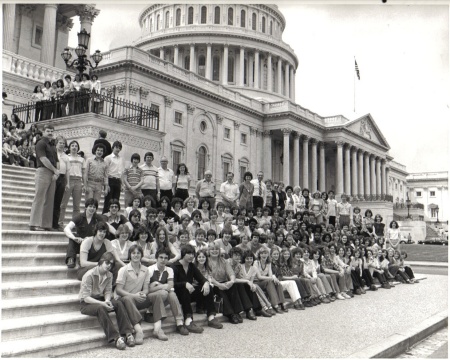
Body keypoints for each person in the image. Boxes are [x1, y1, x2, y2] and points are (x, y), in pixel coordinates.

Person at [78, 252, 134, 350]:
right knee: (100, 307)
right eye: (107, 262)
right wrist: (102, 303)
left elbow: (108, 291)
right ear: (101, 261)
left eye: (111, 264)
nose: (109, 266)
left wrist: (107, 300)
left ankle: (127, 333)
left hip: (100, 300)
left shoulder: (110, 275)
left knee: (118, 303)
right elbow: (86, 297)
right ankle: (116, 338)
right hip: (86, 303)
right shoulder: (89, 275)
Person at [172, 245, 223, 331]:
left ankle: (211, 317)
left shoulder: (191, 266)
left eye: (192, 254)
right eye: (189, 253)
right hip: (178, 295)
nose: (191, 256)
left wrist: (206, 283)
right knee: (185, 289)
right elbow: (172, 284)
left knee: (209, 287)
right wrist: (184, 284)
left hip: (189, 293)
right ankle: (188, 321)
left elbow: (201, 278)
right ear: (183, 254)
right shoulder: (175, 266)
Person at [147, 249, 189, 337]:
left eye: (166, 258)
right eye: (161, 257)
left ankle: (179, 322)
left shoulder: (169, 270)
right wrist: (162, 286)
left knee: (171, 294)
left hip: (162, 295)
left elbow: (170, 286)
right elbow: (147, 289)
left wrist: (156, 286)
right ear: (156, 258)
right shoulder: (150, 269)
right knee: (164, 293)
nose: (163, 260)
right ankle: (152, 312)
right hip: (150, 298)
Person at [29, 124, 59, 231]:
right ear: (43, 131)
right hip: (43, 171)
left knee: (49, 199)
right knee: (39, 198)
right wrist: (55, 170)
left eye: (52, 130)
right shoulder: (40, 143)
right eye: (48, 130)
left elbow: (57, 160)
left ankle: (46, 224)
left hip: (53, 173)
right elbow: (43, 159)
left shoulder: (53, 145)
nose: (50, 132)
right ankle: (34, 224)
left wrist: (56, 172)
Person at [64, 198, 108, 268]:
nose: (92, 209)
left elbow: (106, 228)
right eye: (90, 206)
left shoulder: (98, 218)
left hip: (92, 245)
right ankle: (71, 259)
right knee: (73, 236)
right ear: (86, 207)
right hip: (80, 242)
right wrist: (74, 238)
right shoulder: (79, 217)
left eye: (94, 207)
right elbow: (66, 228)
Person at [59, 140, 85, 227]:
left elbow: (84, 172)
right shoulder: (66, 157)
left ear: (78, 148)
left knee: (76, 206)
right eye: (72, 145)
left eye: (76, 146)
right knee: (63, 203)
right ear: (69, 147)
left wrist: (84, 184)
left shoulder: (82, 159)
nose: (74, 147)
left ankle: (74, 225)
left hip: (78, 181)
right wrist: (67, 182)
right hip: (68, 180)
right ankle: (60, 222)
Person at [52, 136, 70, 231]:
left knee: (58, 201)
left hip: (62, 178)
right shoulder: (53, 153)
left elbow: (67, 171)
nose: (62, 145)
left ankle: (55, 223)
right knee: (51, 200)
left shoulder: (66, 157)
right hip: (53, 176)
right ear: (56, 143)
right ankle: (47, 222)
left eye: (63, 143)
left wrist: (67, 183)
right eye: (60, 143)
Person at [102, 141, 124, 214]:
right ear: (113, 148)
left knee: (116, 201)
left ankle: (114, 218)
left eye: (119, 148)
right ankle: (105, 217)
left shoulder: (121, 159)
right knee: (108, 201)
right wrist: (106, 185)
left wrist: (122, 184)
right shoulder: (108, 158)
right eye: (116, 147)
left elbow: (120, 172)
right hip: (110, 180)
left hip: (117, 181)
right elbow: (105, 172)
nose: (118, 149)